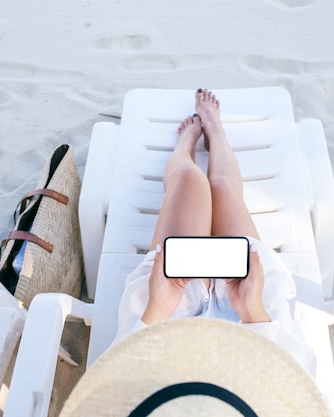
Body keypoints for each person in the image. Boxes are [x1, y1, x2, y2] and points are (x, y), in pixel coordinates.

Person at [112, 89, 316, 375]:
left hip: (168, 322)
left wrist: (158, 310)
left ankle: (185, 147)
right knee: (222, 188)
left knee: (189, 179)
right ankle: (216, 134)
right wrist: (251, 310)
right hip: (251, 323)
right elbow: (298, 378)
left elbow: (115, 381)